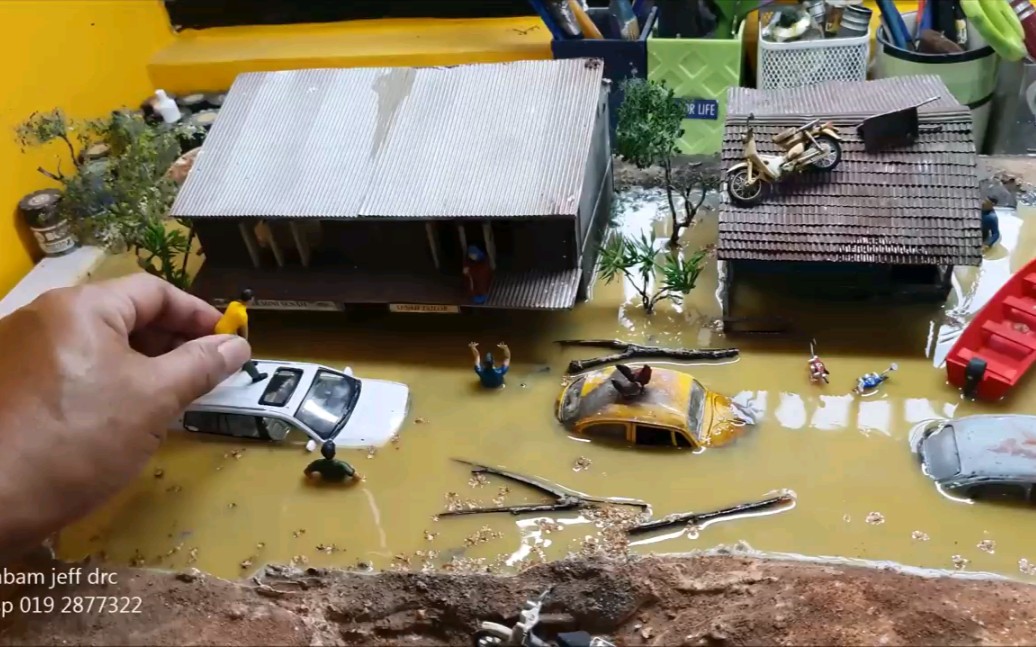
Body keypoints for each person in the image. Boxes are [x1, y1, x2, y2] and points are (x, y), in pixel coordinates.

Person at [0, 273, 258, 562]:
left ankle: (250, 370)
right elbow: (241, 329)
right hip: (219, 337)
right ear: (249, 300)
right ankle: (250, 369)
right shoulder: (239, 311)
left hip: (213, 333)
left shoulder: (233, 306)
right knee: (236, 361)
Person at [213, 288, 268, 383]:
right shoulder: (242, 315)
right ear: (250, 300)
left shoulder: (233, 304)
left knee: (240, 347)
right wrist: (244, 345)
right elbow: (245, 335)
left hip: (219, 329)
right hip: (224, 336)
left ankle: (245, 364)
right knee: (242, 352)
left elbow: (231, 322)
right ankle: (255, 376)